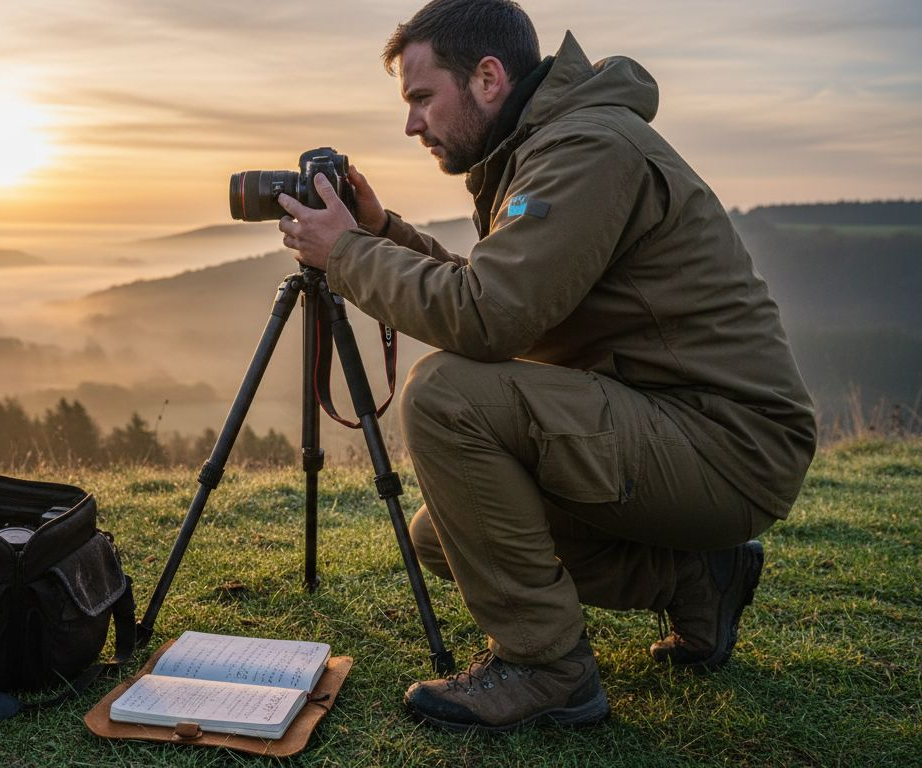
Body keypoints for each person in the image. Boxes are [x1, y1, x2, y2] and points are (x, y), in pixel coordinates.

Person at [275, 0, 817, 734]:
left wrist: (345, 253)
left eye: (422, 97)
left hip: (728, 444)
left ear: (488, 77)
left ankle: (547, 668)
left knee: (442, 394)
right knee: (444, 536)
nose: (411, 125)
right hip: (674, 423)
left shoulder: (587, 147)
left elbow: (488, 318)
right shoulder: (549, 143)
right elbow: (502, 292)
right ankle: (698, 580)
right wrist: (380, 233)